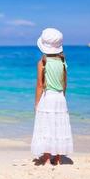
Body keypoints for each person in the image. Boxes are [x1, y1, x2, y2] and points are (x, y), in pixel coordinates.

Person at [31, 28, 74, 165]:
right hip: (60, 98)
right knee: (58, 126)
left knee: (47, 125)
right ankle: (58, 157)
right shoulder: (63, 63)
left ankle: (47, 156)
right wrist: (63, 97)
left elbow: (39, 85)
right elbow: (64, 83)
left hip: (48, 97)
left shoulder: (42, 63)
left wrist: (36, 103)